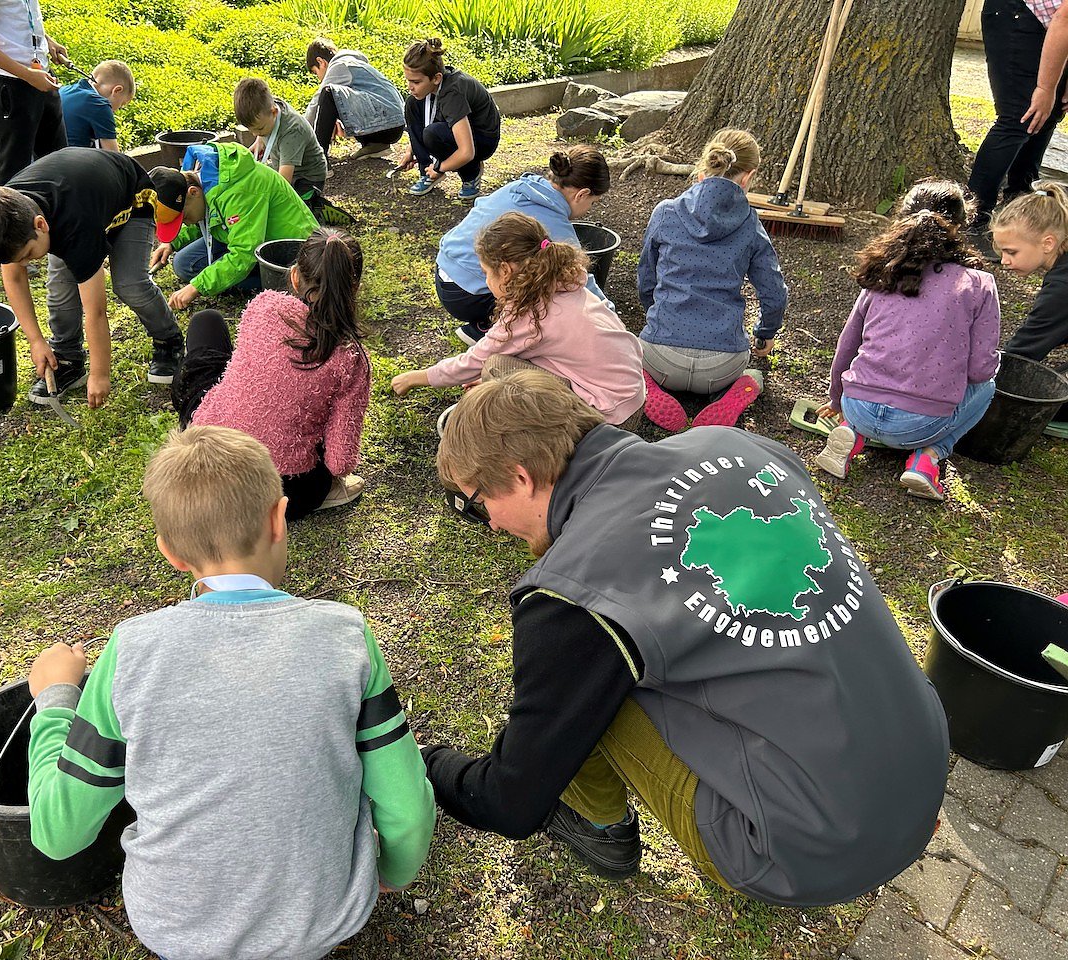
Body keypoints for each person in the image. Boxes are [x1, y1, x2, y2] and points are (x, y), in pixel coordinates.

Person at [424, 369, 949, 906]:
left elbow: (510, 802)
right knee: (622, 652)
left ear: (521, 477)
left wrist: (426, 763)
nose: (490, 524)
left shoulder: (571, 594)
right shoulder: (735, 445)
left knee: (579, 689)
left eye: (477, 503)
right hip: (923, 772)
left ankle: (600, 828)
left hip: (807, 852)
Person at [26, 425, 436, 960]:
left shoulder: (130, 652)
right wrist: (394, 874)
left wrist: (55, 698)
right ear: (279, 518)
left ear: (170, 553)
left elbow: (57, 834)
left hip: (175, 929)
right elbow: (408, 807)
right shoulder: (346, 637)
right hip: (318, 923)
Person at [815, 180, 1000, 501]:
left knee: (867, 404)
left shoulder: (881, 274)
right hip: (920, 424)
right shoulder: (979, 283)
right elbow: (980, 370)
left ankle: (851, 433)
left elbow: (847, 346)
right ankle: (927, 458)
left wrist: (836, 400)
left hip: (857, 406)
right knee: (988, 386)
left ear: (902, 220)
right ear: (960, 226)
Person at [0, 148, 184, 409]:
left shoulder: (75, 227)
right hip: (80, 197)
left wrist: (100, 374)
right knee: (60, 291)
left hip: (132, 197)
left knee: (129, 284)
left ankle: (169, 340)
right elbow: (15, 279)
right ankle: (68, 358)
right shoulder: (5, 216)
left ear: (40, 225)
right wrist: (36, 341)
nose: (25, 264)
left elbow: (96, 311)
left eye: (28, 255)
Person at [172, 229, 371, 519]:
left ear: (294, 276)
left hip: (207, 450)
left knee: (206, 321)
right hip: (281, 490)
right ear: (354, 287)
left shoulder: (264, 305)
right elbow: (340, 462)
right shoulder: (351, 359)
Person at [391, 213, 645, 430]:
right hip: (630, 399)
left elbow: (474, 362)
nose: (486, 281)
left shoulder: (529, 315)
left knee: (496, 367)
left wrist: (417, 377)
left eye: (485, 273)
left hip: (609, 419)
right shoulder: (565, 282)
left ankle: (556, 436)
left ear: (505, 271)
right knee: (505, 369)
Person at [637, 129, 786, 432]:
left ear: (704, 166)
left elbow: (646, 279)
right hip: (723, 365)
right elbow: (774, 292)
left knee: (628, 357)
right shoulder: (751, 224)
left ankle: (646, 386)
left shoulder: (666, 212)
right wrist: (765, 332)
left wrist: (656, 314)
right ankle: (735, 392)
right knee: (754, 376)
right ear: (748, 177)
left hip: (661, 358)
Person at [436, 146, 613, 344]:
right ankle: (496, 328)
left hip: (444, 272)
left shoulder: (521, 187)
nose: (589, 208)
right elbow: (579, 279)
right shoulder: (555, 224)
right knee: (553, 288)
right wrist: (609, 316)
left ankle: (485, 323)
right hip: (469, 295)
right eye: (593, 202)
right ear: (582, 194)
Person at [148, 142, 318, 308]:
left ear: (193, 192)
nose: (185, 223)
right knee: (184, 264)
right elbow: (202, 218)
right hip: (244, 236)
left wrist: (197, 286)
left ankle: (281, 286)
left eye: (184, 218)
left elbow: (244, 253)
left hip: (292, 251)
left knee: (271, 277)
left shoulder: (239, 190)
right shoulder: (201, 181)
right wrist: (171, 242)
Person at [967, 1, 1068, 259]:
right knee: (1019, 117)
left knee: (1050, 113)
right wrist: (1045, 88)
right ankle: (971, 220)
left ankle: (1019, 206)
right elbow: (1065, 20)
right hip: (1017, 13)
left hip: (1052, 24)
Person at [0, 0, 68, 185]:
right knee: (12, 173)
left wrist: (45, 40)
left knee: (58, 163)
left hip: (41, 75)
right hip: (7, 83)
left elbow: (17, 15)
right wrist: (27, 75)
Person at [396, 38, 501, 201]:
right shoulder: (435, 85)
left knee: (433, 133)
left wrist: (440, 168)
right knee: (412, 104)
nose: (410, 87)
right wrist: (412, 151)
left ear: (436, 78)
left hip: (482, 140)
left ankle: (471, 174)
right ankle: (427, 172)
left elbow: (467, 152)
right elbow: (427, 118)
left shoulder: (452, 93)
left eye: (416, 82)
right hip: (460, 131)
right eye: (408, 80)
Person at [991, 180, 1068, 369]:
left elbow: (1021, 354)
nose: (1004, 261)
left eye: (1012, 252)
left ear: (1048, 243)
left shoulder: (1061, 289)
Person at [303, 39, 405, 163]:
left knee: (328, 93)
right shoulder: (355, 64)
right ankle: (375, 145)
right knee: (334, 100)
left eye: (316, 72)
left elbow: (316, 102)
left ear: (321, 62)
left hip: (388, 123)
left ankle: (319, 160)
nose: (319, 79)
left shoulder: (340, 65)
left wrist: (298, 133)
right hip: (395, 126)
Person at [233, 77, 330, 200]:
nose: (254, 134)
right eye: (251, 130)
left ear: (274, 112)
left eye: (259, 129)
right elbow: (261, 131)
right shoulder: (267, 108)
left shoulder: (292, 132)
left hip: (306, 178)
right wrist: (259, 141)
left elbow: (283, 182)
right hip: (283, 165)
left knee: (285, 202)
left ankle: (315, 205)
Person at [58, 60, 134, 150]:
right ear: (117, 90)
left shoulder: (64, 90)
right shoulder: (100, 105)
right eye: (121, 105)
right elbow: (113, 154)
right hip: (69, 157)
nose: (116, 111)